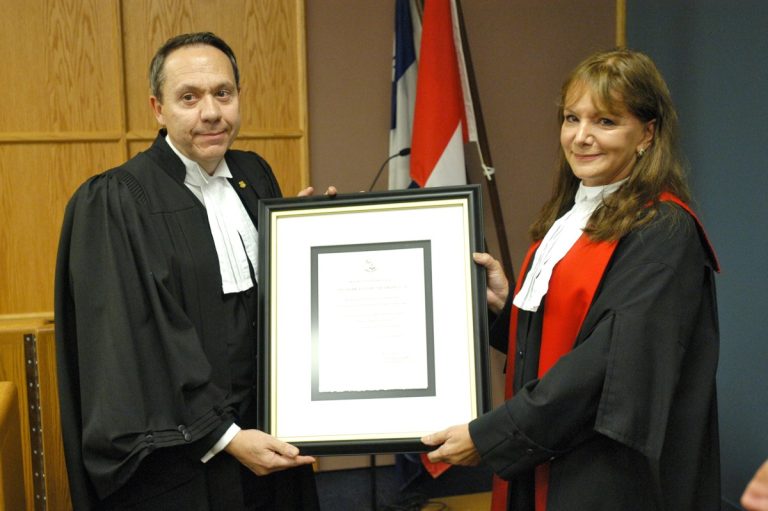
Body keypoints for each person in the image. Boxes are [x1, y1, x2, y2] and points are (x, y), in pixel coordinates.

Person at [421, 48, 721, 510]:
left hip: (599, 473)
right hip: (547, 449)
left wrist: (490, 435)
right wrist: (509, 308)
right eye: (571, 118)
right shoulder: (573, 215)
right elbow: (571, 334)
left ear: (647, 133)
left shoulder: (662, 231)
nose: (581, 138)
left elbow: (607, 365)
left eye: (605, 121)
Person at [55, 32, 333, 511]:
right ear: (158, 108)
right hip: (186, 456)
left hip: (266, 432)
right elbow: (135, 344)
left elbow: (257, 307)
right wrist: (224, 436)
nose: (211, 112)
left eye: (223, 93)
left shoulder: (253, 175)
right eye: (189, 97)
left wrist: (298, 242)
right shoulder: (117, 201)